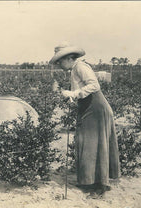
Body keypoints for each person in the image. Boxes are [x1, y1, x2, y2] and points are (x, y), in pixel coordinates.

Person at [49, 42, 120, 197]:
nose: (59, 65)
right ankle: (89, 181)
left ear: (68, 58)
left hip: (96, 108)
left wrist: (73, 94)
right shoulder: (74, 69)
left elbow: (94, 86)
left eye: (60, 61)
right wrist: (68, 95)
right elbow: (79, 92)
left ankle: (99, 187)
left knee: (95, 145)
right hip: (88, 108)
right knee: (87, 144)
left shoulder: (81, 67)